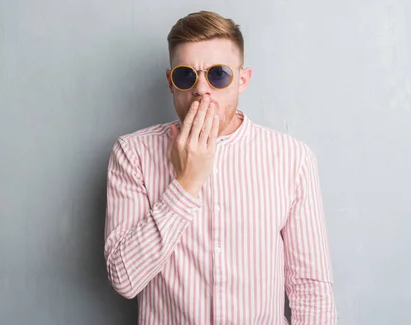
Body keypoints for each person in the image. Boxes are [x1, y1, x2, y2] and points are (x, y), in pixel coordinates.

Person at [103, 10, 337, 325]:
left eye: (218, 74)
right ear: (171, 83)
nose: (201, 89)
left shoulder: (292, 158)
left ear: (242, 80)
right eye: (186, 75)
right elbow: (124, 278)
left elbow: (311, 289)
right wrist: (186, 183)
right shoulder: (133, 154)